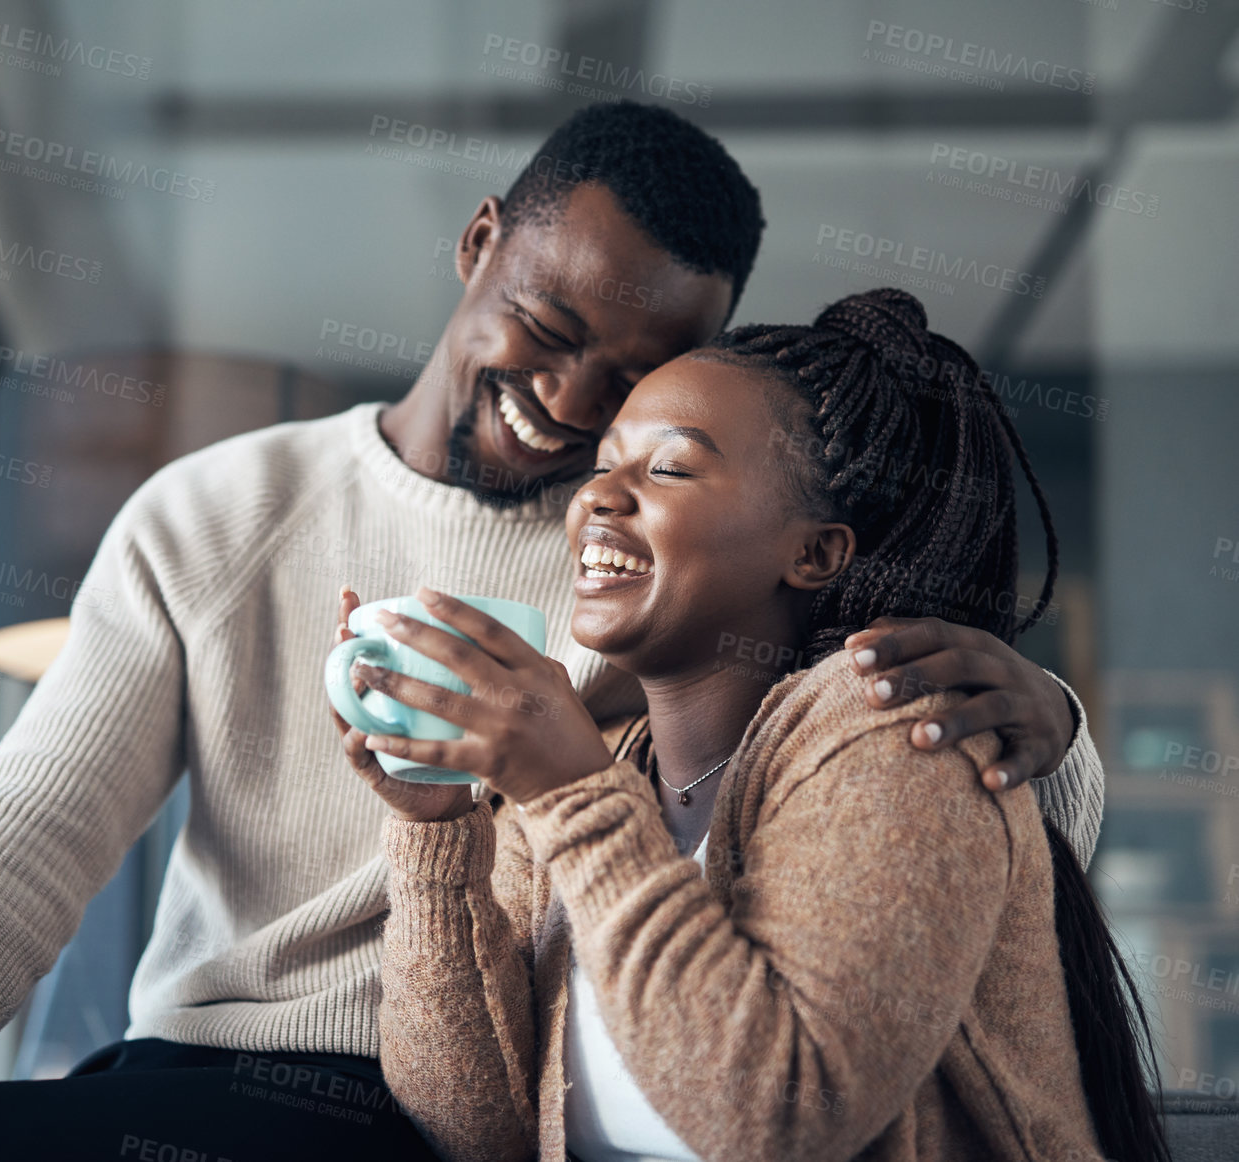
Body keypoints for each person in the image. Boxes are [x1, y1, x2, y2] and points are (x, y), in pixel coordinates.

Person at [0, 104, 1105, 1162]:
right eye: (543, 325)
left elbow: (877, 815)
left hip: (451, 1098)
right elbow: (35, 814)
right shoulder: (223, 512)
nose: (571, 409)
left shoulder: (652, 581)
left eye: (634, 385)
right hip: (190, 1064)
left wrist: (1053, 731)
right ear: (476, 247)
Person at [341, 289, 1164, 1162]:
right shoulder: (607, 762)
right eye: (604, 464)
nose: (597, 500)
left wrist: (568, 790)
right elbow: (475, 1124)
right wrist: (436, 831)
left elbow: (778, 1115)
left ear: (813, 553)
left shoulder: (890, 733)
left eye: (668, 469)